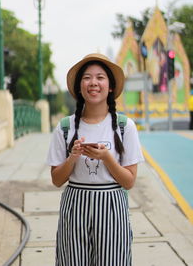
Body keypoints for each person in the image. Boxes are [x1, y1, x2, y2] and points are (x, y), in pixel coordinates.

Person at [46, 53, 144, 266]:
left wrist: (107, 157)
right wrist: (73, 156)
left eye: (100, 77)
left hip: (112, 205)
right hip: (75, 206)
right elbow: (56, 180)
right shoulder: (65, 127)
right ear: (80, 87)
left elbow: (129, 182)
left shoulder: (125, 127)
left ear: (110, 86)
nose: (93, 83)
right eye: (87, 78)